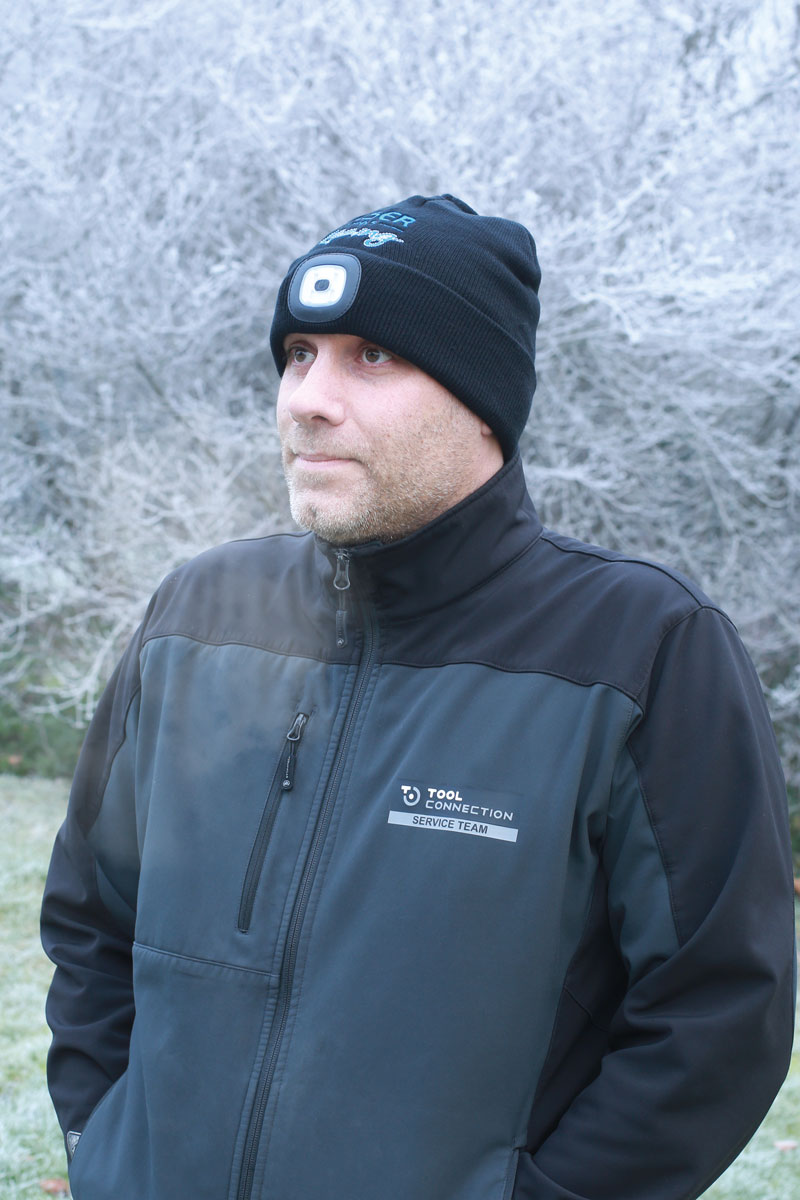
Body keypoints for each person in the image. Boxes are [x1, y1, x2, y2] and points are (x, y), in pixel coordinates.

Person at [41, 194, 795, 1200]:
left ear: (480, 398)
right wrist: (104, 1147)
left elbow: (717, 1012)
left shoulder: (639, 647)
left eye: (372, 356)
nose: (307, 399)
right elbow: (91, 921)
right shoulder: (197, 615)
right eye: (299, 353)